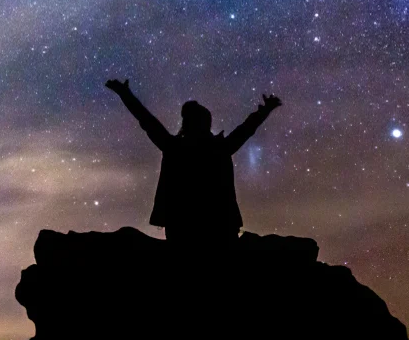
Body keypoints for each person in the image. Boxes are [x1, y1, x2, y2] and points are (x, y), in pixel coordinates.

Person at [105, 78, 281, 247]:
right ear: (207, 123)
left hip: (182, 225)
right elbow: (246, 129)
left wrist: (124, 94)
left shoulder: (174, 147)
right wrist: (264, 111)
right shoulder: (220, 147)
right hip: (219, 226)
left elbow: (146, 120)